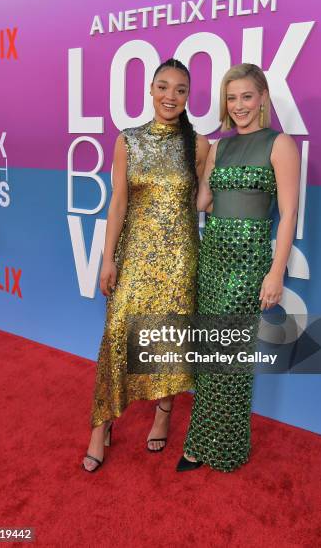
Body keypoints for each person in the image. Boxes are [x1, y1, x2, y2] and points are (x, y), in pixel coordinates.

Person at [82, 58, 209, 472]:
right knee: (117, 333)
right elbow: (117, 202)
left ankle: (163, 412)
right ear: (150, 91)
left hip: (179, 260)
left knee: (168, 341)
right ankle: (100, 425)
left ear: (189, 96)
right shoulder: (128, 140)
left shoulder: (201, 144)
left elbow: (202, 204)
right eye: (163, 87)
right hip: (134, 256)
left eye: (180, 90)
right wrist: (107, 259)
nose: (170, 96)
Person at [177, 63, 300, 473]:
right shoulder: (220, 147)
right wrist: (190, 164)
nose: (240, 105)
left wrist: (275, 271)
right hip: (212, 256)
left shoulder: (280, 144)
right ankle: (202, 440)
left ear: (263, 97)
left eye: (247, 96)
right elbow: (203, 203)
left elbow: (288, 215)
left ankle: (223, 447)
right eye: (232, 98)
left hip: (248, 262)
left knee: (229, 355)